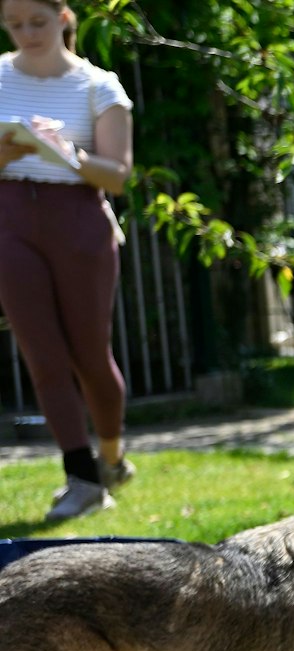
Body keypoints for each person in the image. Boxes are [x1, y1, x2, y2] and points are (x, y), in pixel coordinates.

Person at [0, 0, 134, 522]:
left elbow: (118, 175)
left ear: (63, 17)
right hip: (10, 219)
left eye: (36, 21)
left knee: (89, 356)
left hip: (79, 222)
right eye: (13, 25)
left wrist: (64, 153)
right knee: (42, 353)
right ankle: (81, 478)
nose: (26, 33)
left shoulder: (99, 86)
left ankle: (112, 456)